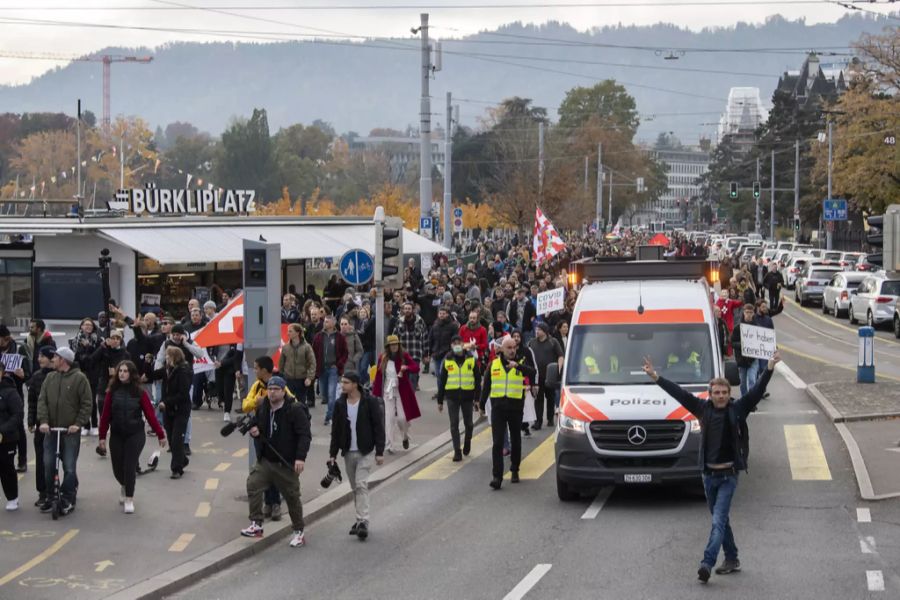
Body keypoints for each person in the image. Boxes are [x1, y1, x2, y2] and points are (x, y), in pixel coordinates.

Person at [642, 351, 780, 583]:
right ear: (710, 394)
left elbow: (756, 392)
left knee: (717, 521)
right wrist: (656, 377)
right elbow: (679, 394)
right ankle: (733, 558)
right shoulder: (701, 408)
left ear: (729, 394)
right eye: (717, 393)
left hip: (728, 476)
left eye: (725, 392)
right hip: (708, 476)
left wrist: (769, 368)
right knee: (721, 520)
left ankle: (707, 563)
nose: (721, 396)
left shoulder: (738, 409)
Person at [241, 376, 311, 549]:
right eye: (270, 389)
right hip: (266, 460)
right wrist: (255, 431)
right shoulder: (264, 407)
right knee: (253, 484)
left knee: (292, 497)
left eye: (276, 389)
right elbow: (259, 425)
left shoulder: (294, 410)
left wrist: (300, 458)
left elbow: (304, 435)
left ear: (283, 390)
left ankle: (299, 531)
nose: (271, 392)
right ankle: (256, 524)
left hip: (286, 463)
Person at [98, 360, 167, 513]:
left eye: (125, 371)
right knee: (117, 469)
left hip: (135, 434)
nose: (122, 373)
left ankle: (129, 498)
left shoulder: (139, 392)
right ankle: (124, 485)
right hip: (116, 434)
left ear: (131, 373)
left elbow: (150, 415)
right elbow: (105, 416)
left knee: (129, 466)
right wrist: (102, 437)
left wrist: (161, 435)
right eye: (120, 371)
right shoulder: (112, 391)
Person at [328, 372, 385, 540]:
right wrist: (332, 454)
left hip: (365, 451)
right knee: (355, 488)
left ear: (355, 384)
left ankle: (363, 521)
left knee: (361, 485)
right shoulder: (340, 404)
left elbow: (378, 427)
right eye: (342, 382)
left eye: (346, 382)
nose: (342, 385)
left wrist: (379, 452)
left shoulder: (370, 401)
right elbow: (336, 430)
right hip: (348, 452)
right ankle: (359, 518)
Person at [36, 347, 93, 515]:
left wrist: (78, 423)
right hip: (51, 430)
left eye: (55, 356)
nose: (52, 359)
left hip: (70, 431)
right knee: (48, 464)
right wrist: (44, 422)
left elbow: (87, 403)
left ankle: (67, 496)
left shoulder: (79, 378)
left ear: (63, 360)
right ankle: (51, 496)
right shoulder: (50, 377)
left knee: (69, 466)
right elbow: (42, 401)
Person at [481, 336, 535, 490]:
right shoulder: (494, 364)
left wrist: (517, 366)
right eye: (508, 348)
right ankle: (497, 476)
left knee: (516, 439)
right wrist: (481, 402)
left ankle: (515, 469)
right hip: (498, 407)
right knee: (497, 442)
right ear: (502, 350)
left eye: (514, 347)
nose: (512, 350)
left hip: (515, 407)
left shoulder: (521, 362)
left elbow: (533, 372)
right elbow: (487, 385)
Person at [372, 336, 421, 454]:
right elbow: (379, 376)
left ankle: (405, 436)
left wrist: (407, 367)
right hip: (387, 390)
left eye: (396, 344)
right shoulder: (382, 358)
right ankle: (389, 445)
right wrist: (376, 393)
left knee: (402, 418)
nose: (394, 346)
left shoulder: (404, 356)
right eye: (392, 345)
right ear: (388, 347)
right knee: (388, 419)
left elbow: (416, 367)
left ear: (398, 345)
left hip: (401, 390)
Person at [437, 336, 481, 462]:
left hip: (467, 396)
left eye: (459, 343)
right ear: (451, 346)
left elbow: (478, 380)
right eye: (454, 343)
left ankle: (467, 441)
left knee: (469, 424)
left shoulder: (471, 359)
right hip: (452, 396)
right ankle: (457, 451)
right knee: (454, 424)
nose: (456, 345)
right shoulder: (448, 360)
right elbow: (442, 381)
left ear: (463, 344)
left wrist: (477, 398)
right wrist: (440, 400)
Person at [151, 347, 192, 479]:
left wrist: (166, 402)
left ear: (175, 357)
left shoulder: (183, 371)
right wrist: (147, 363)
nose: (166, 358)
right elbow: (152, 375)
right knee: (171, 438)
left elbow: (183, 394)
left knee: (176, 439)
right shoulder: (167, 370)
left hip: (180, 410)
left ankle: (176, 469)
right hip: (168, 409)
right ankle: (183, 459)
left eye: (168, 356)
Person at [88, 329, 130, 436]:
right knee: (102, 404)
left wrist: (116, 370)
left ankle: (116, 425)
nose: (115, 341)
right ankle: (104, 426)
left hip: (118, 384)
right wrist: (102, 347)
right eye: (113, 338)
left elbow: (128, 368)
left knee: (116, 406)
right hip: (104, 383)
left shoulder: (125, 353)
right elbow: (92, 360)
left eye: (117, 339)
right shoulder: (104, 350)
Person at [27, 347, 55, 506]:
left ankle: (67, 487)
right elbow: (32, 401)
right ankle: (43, 492)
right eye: (39, 356)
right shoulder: (37, 377)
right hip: (40, 424)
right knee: (41, 459)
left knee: (58, 458)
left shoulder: (59, 374)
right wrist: (31, 420)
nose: (39, 359)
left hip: (57, 424)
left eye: (43, 356)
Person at [0, 325, 29, 473]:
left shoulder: (19, 349)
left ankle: (22, 459)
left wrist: (22, 375)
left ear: (5, 338)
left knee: (17, 426)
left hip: (14, 392)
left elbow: (29, 373)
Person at [527, 322, 564, 430]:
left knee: (550, 397)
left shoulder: (553, 342)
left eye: (539, 329)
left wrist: (558, 369)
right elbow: (528, 357)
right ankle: (538, 421)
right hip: (537, 375)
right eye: (536, 329)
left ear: (545, 331)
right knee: (538, 398)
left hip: (550, 375)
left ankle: (550, 418)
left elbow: (560, 356)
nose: (537, 331)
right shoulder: (532, 343)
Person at [313, 315, 348, 427]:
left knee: (332, 394)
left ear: (333, 324)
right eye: (325, 322)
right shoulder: (318, 336)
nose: (325, 323)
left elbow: (345, 353)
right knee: (325, 395)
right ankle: (332, 411)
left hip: (333, 369)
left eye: (327, 322)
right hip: (322, 369)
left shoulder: (339, 337)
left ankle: (329, 417)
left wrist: (338, 365)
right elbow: (313, 352)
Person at [0, 361, 24, 511]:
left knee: (6, 467)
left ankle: (12, 497)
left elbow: (17, 415)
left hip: (7, 438)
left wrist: (2, 430)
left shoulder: (9, 391)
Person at [393, 302, 428, 391]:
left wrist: (426, 354)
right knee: (404, 377)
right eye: (406, 309)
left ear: (412, 310)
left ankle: (411, 396)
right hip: (402, 355)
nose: (407, 310)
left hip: (415, 354)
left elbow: (425, 337)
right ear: (403, 310)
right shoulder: (399, 321)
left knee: (413, 377)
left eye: (409, 308)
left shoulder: (420, 321)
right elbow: (394, 338)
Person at [279, 323, 316, 408]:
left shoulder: (307, 347)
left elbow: (312, 363)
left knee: (301, 403)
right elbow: (281, 363)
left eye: (290, 331)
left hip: (301, 379)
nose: (288, 333)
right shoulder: (285, 348)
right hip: (289, 379)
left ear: (297, 333)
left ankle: (304, 419)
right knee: (288, 402)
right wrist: (282, 376)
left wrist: (309, 377)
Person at [732, 304, 760, 396]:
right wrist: (742, 345)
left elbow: (762, 341)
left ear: (753, 314)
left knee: (752, 379)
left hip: (753, 358)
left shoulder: (757, 328)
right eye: (747, 312)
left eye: (751, 312)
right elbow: (732, 343)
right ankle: (744, 399)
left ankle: (751, 400)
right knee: (743, 383)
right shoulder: (737, 328)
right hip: (742, 359)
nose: (748, 314)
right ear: (743, 313)